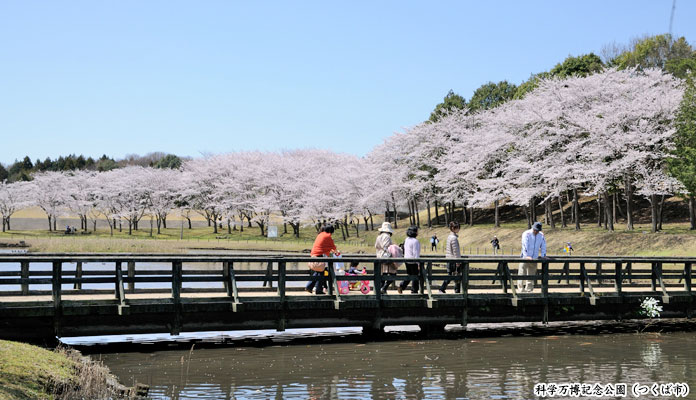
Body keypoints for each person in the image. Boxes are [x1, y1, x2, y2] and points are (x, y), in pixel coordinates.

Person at [306, 224, 337, 295]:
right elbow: (333, 248)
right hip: (319, 257)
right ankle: (318, 290)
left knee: (319, 272)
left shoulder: (320, 235)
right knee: (321, 272)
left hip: (314, 256)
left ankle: (310, 287)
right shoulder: (327, 236)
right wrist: (335, 252)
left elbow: (322, 246)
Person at [517, 221, 547, 293]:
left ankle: (529, 289)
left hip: (534, 257)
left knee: (532, 273)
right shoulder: (526, 234)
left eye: (537, 230)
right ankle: (521, 289)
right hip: (525, 257)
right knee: (522, 272)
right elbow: (524, 245)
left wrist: (543, 255)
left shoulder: (541, 235)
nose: (536, 231)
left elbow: (543, 245)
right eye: (535, 230)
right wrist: (526, 256)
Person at [439, 221, 462, 293]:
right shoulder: (454, 238)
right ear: (453, 228)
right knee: (455, 275)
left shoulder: (449, 237)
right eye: (457, 228)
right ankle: (444, 289)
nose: (458, 229)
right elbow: (456, 251)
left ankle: (444, 289)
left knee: (451, 275)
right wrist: (458, 261)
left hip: (449, 258)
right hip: (453, 259)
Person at [399, 225, 421, 294]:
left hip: (407, 260)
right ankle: (414, 291)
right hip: (413, 261)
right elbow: (416, 253)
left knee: (410, 275)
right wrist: (418, 263)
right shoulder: (415, 241)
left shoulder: (406, 239)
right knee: (415, 276)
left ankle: (402, 286)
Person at [375, 222, 396, 294]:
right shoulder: (387, 236)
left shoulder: (379, 236)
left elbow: (376, 246)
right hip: (386, 257)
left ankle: (380, 290)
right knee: (393, 273)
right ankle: (384, 288)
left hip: (379, 256)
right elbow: (385, 246)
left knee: (382, 274)